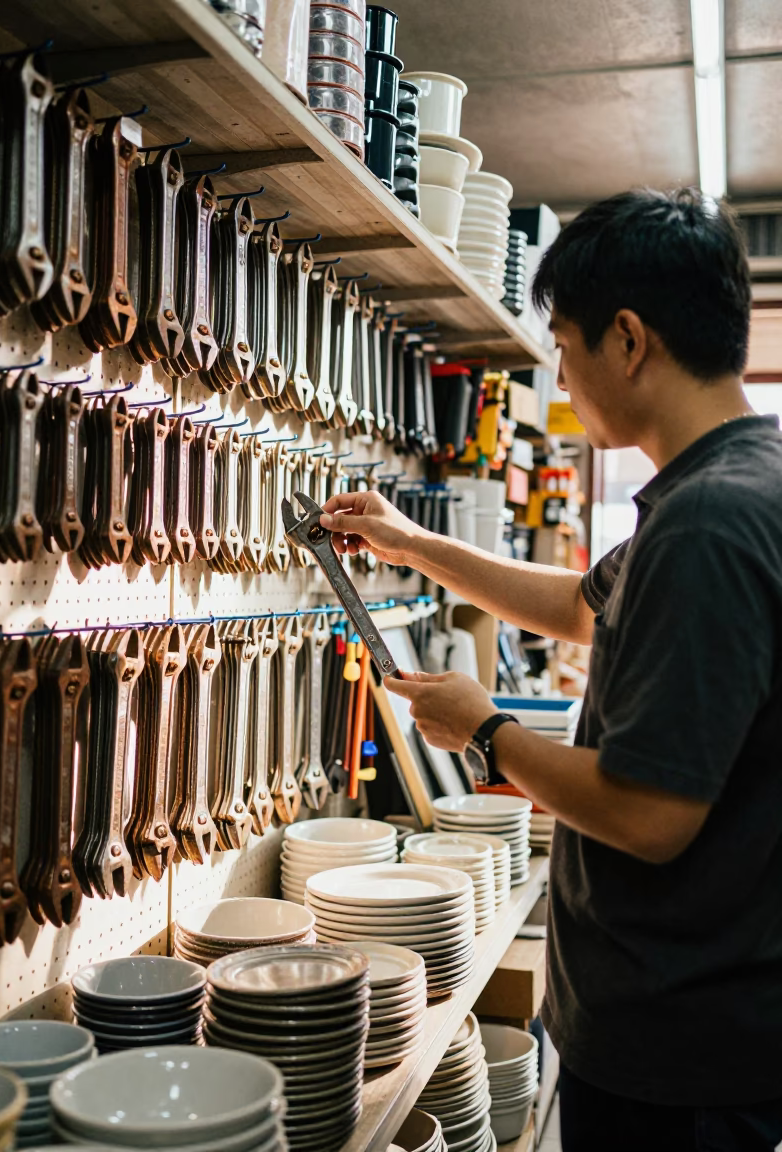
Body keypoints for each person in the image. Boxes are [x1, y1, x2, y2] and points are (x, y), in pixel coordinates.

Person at [318, 188, 782, 1152]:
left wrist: (485, 730)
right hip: (696, 1032)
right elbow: (579, 603)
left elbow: (652, 818)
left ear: (628, 338)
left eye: (564, 346)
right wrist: (416, 545)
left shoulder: (708, 522)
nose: (562, 378)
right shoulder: (730, 483)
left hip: (682, 1057)